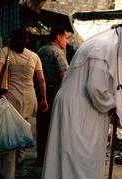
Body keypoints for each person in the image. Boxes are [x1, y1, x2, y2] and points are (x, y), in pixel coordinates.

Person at [41, 23, 122, 179]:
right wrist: (113, 105)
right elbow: (95, 88)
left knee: (75, 158)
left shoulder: (106, 45)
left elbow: (101, 76)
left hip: (81, 106)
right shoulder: (105, 48)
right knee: (79, 159)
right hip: (79, 108)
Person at [0, 28, 48, 179]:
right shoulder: (34, 56)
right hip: (29, 99)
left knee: (9, 132)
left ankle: (9, 172)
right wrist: (44, 98)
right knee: (22, 127)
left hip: (11, 98)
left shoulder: (5, 51)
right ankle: (20, 159)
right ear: (27, 40)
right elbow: (41, 79)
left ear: (11, 39)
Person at [36, 26, 70, 166]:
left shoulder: (40, 51)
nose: (66, 42)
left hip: (40, 92)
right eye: (66, 38)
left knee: (42, 125)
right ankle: (51, 158)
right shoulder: (58, 52)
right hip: (55, 92)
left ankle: (41, 156)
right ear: (58, 37)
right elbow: (64, 76)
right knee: (54, 125)